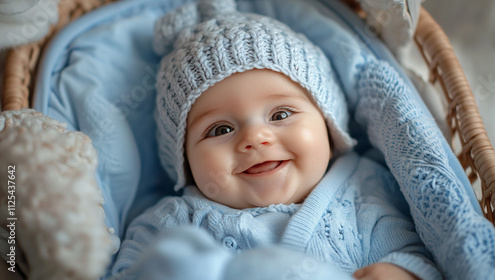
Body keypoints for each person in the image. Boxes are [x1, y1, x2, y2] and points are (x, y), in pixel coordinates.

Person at [111, 0, 442, 279]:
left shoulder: (364, 191)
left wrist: (402, 271)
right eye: (220, 129)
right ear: (183, 159)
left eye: (281, 115)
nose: (255, 137)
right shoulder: (175, 221)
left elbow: (416, 254)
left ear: (329, 124)